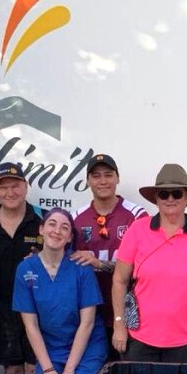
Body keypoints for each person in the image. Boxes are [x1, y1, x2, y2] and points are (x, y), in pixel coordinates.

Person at [111, 163, 187, 363]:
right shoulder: (137, 231)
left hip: (184, 342)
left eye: (177, 193)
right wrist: (119, 324)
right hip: (138, 340)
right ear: (156, 199)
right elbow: (119, 280)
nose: (170, 199)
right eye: (164, 194)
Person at [14, 208, 109, 374]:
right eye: (52, 224)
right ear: (41, 229)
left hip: (87, 347)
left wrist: (70, 370)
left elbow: (87, 323)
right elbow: (31, 325)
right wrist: (48, 369)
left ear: (70, 237)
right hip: (51, 349)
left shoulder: (81, 268)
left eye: (65, 227)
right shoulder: (25, 269)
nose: (57, 231)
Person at [69, 154, 148, 359]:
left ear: (117, 178)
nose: (103, 181)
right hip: (91, 312)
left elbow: (143, 268)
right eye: (96, 176)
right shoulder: (76, 218)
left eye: (108, 175)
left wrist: (99, 263)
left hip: (129, 311)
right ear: (88, 181)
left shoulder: (137, 216)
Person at [0, 162, 45, 374]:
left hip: (38, 308)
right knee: (12, 370)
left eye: (15, 185)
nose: (10, 192)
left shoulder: (44, 217)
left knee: (36, 368)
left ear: (26, 186)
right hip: (3, 308)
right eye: (3, 187)